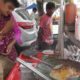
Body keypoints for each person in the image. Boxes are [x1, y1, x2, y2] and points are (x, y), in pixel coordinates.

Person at [0, 0, 20, 78]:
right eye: (9, 7)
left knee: (13, 76)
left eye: (12, 9)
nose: (10, 11)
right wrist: (3, 32)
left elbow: (18, 33)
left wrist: (11, 44)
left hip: (12, 57)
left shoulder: (10, 17)